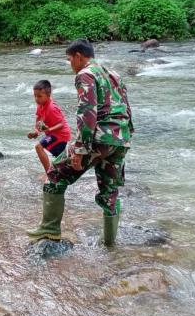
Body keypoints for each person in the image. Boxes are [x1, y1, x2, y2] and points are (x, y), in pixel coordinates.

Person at [26, 39, 133, 245]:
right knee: (110, 190)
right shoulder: (114, 74)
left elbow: (87, 112)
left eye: (69, 59)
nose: (70, 64)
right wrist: (127, 136)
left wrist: (80, 149)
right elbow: (127, 108)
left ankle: (50, 230)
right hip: (121, 139)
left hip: (98, 138)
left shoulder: (85, 74)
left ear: (78, 56)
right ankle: (110, 243)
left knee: (55, 174)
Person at [27, 80, 71, 173]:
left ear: (48, 95)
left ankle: (49, 173)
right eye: (35, 96)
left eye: (39, 96)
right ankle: (53, 172)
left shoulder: (52, 107)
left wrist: (49, 129)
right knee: (62, 159)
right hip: (53, 133)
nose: (36, 99)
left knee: (39, 147)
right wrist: (36, 131)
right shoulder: (40, 105)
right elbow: (38, 118)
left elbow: (61, 124)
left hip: (60, 135)